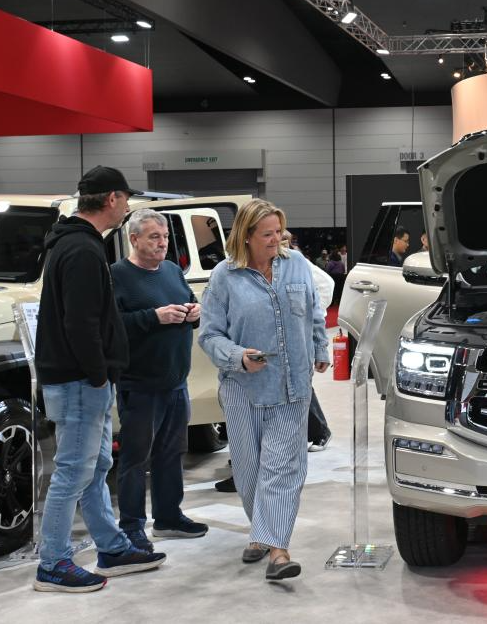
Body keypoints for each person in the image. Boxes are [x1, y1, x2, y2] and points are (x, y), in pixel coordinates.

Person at [33, 166, 166, 593]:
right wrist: (97, 374)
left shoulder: (78, 243)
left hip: (83, 379)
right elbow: (81, 323)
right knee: (73, 471)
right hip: (79, 381)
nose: (127, 207)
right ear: (112, 199)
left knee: (96, 468)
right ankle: (53, 563)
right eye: (126, 199)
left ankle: (111, 547)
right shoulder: (82, 250)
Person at [199, 199, 329, 580]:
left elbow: (314, 311)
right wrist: (238, 356)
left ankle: (278, 552)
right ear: (246, 236)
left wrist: (320, 348)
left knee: (282, 467)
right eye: (268, 234)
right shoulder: (224, 276)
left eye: (279, 232)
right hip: (244, 388)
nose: (277, 240)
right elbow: (209, 334)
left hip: (293, 385)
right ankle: (261, 533)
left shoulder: (297, 264)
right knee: (249, 468)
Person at [111, 209, 209, 552]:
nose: (163, 243)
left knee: (172, 453)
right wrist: (154, 317)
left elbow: (190, 304)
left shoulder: (171, 270)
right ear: (134, 239)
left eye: (165, 236)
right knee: (136, 459)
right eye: (154, 237)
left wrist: (195, 313)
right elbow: (112, 327)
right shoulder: (117, 276)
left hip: (176, 382)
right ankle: (132, 526)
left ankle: (168, 517)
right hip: (139, 385)